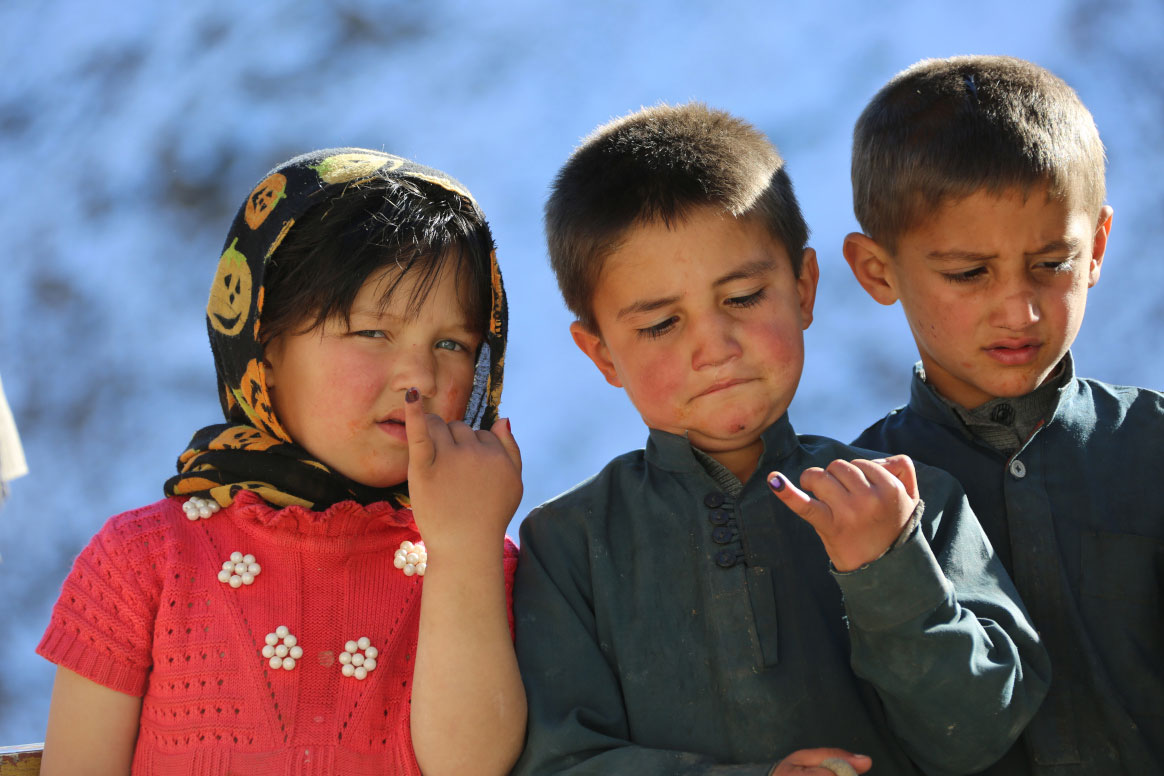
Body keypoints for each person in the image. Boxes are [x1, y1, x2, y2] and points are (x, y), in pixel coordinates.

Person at [512, 103, 1049, 776]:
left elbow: (985, 732)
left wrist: (890, 570)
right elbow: (560, 763)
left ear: (803, 288)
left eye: (741, 298)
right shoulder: (569, 547)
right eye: (660, 324)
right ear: (602, 354)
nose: (714, 347)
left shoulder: (907, 498)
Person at [36, 148, 526, 776]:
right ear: (263, 346)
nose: (420, 376)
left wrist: (463, 550)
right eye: (372, 332)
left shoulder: (492, 568)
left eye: (453, 344)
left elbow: (472, 766)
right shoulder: (143, 565)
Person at [844, 55, 1164, 774]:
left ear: (1098, 249)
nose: (1019, 311)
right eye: (968, 273)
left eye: (1051, 264)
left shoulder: (1153, 446)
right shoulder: (860, 501)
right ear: (877, 271)